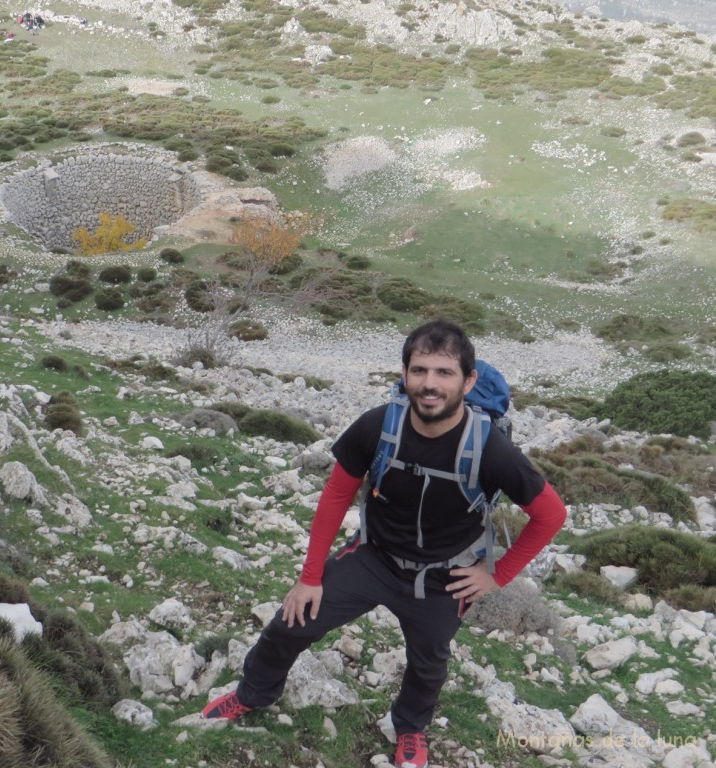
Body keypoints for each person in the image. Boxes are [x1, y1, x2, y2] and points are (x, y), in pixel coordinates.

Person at [201, 320, 567, 768]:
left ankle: (410, 729)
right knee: (291, 623)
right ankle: (252, 693)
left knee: (428, 665)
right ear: (405, 372)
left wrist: (497, 575)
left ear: (468, 381)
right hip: (375, 557)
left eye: (444, 373)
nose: (429, 384)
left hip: (445, 577)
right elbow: (336, 495)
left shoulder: (490, 448)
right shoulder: (379, 425)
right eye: (419, 370)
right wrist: (310, 577)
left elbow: (551, 515)